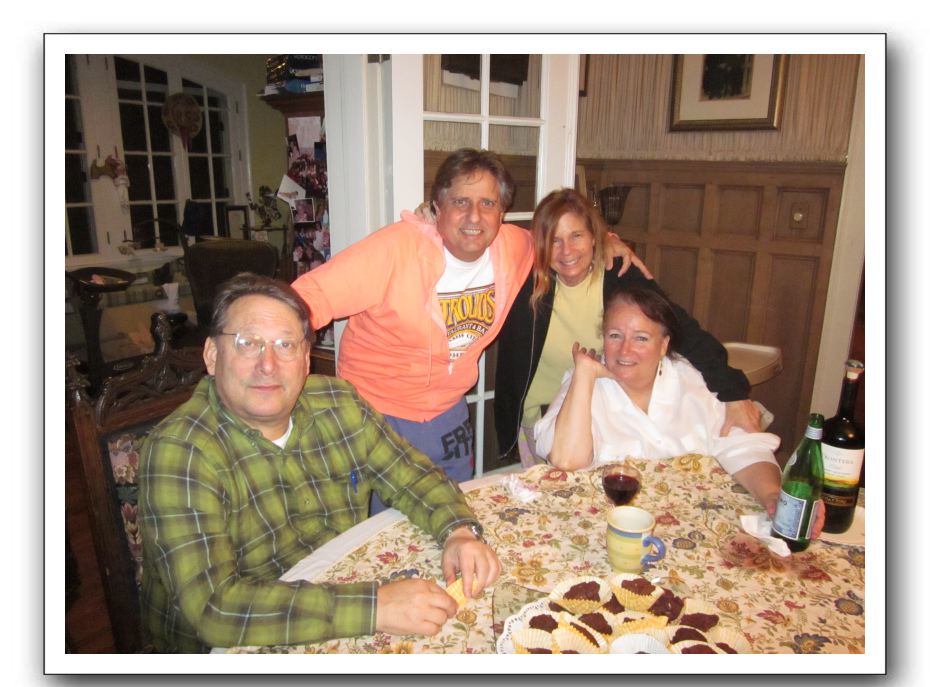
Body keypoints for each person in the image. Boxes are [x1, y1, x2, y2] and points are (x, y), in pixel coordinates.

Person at [138, 274, 500, 653]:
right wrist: (377, 606)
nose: (268, 364)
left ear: (306, 359)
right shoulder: (179, 452)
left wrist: (457, 531)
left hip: (340, 598)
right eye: (248, 343)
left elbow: (411, 475)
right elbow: (216, 610)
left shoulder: (338, 403)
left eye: (286, 345)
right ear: (212, 355)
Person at [291, 149, 641, 513]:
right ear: (437, 207)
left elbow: (560, 239)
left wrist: (608, 240)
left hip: (449, 415)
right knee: (383, 530)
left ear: (501, 213)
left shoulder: (513, 247)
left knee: (454, 518)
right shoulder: (395, 250)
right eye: (460, 201)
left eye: (487, 203)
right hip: (378, 416)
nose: (475, 216)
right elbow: (308, 298)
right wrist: (276, 359)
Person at [495, 188, 760, 467]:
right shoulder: (524, 280)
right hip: (540, 420)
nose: (567, 251)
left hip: (604, 419)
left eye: (577, 236)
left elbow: (680, 328)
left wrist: (733, 393)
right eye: (554, 240)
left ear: (593, 237)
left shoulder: (618, 275)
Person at [534, 281, 782, 514]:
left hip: (693, 522)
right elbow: (567, 460)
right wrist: (584, 374)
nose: (625, 350)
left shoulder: (697, 382)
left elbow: (744, 448)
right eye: (615, 335)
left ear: (664, 345)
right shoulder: (583, 383)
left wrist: (771, 495)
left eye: (641, 338)